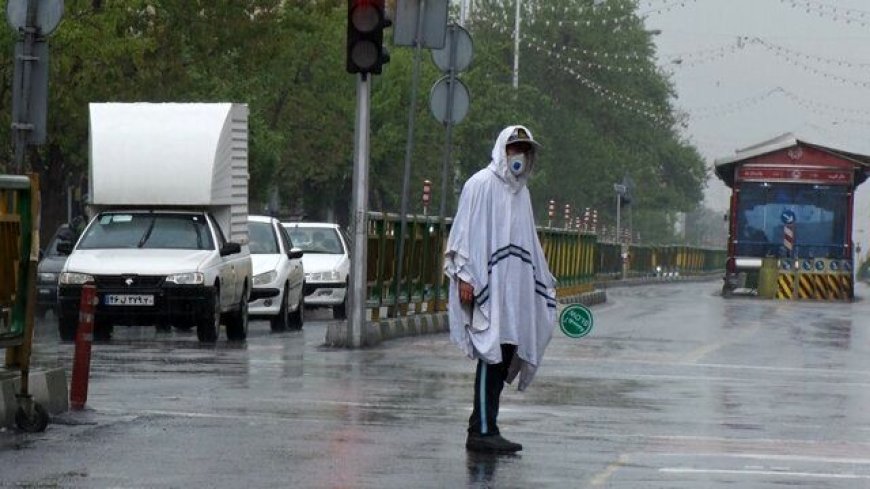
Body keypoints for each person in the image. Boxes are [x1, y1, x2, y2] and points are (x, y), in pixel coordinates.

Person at [444, 125, 558, 454]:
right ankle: (481, 430)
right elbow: (463, 234)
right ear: (502, 150)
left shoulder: (521, 194)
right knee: (491, 355)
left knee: (505, 352)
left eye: (524, 149)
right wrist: (465, 277)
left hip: (513, 293)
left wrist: (543, 281)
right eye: (513, 148)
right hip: (485, 287)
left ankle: (485, 424)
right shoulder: (480, 185)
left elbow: (528, 243)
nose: (518, 155)